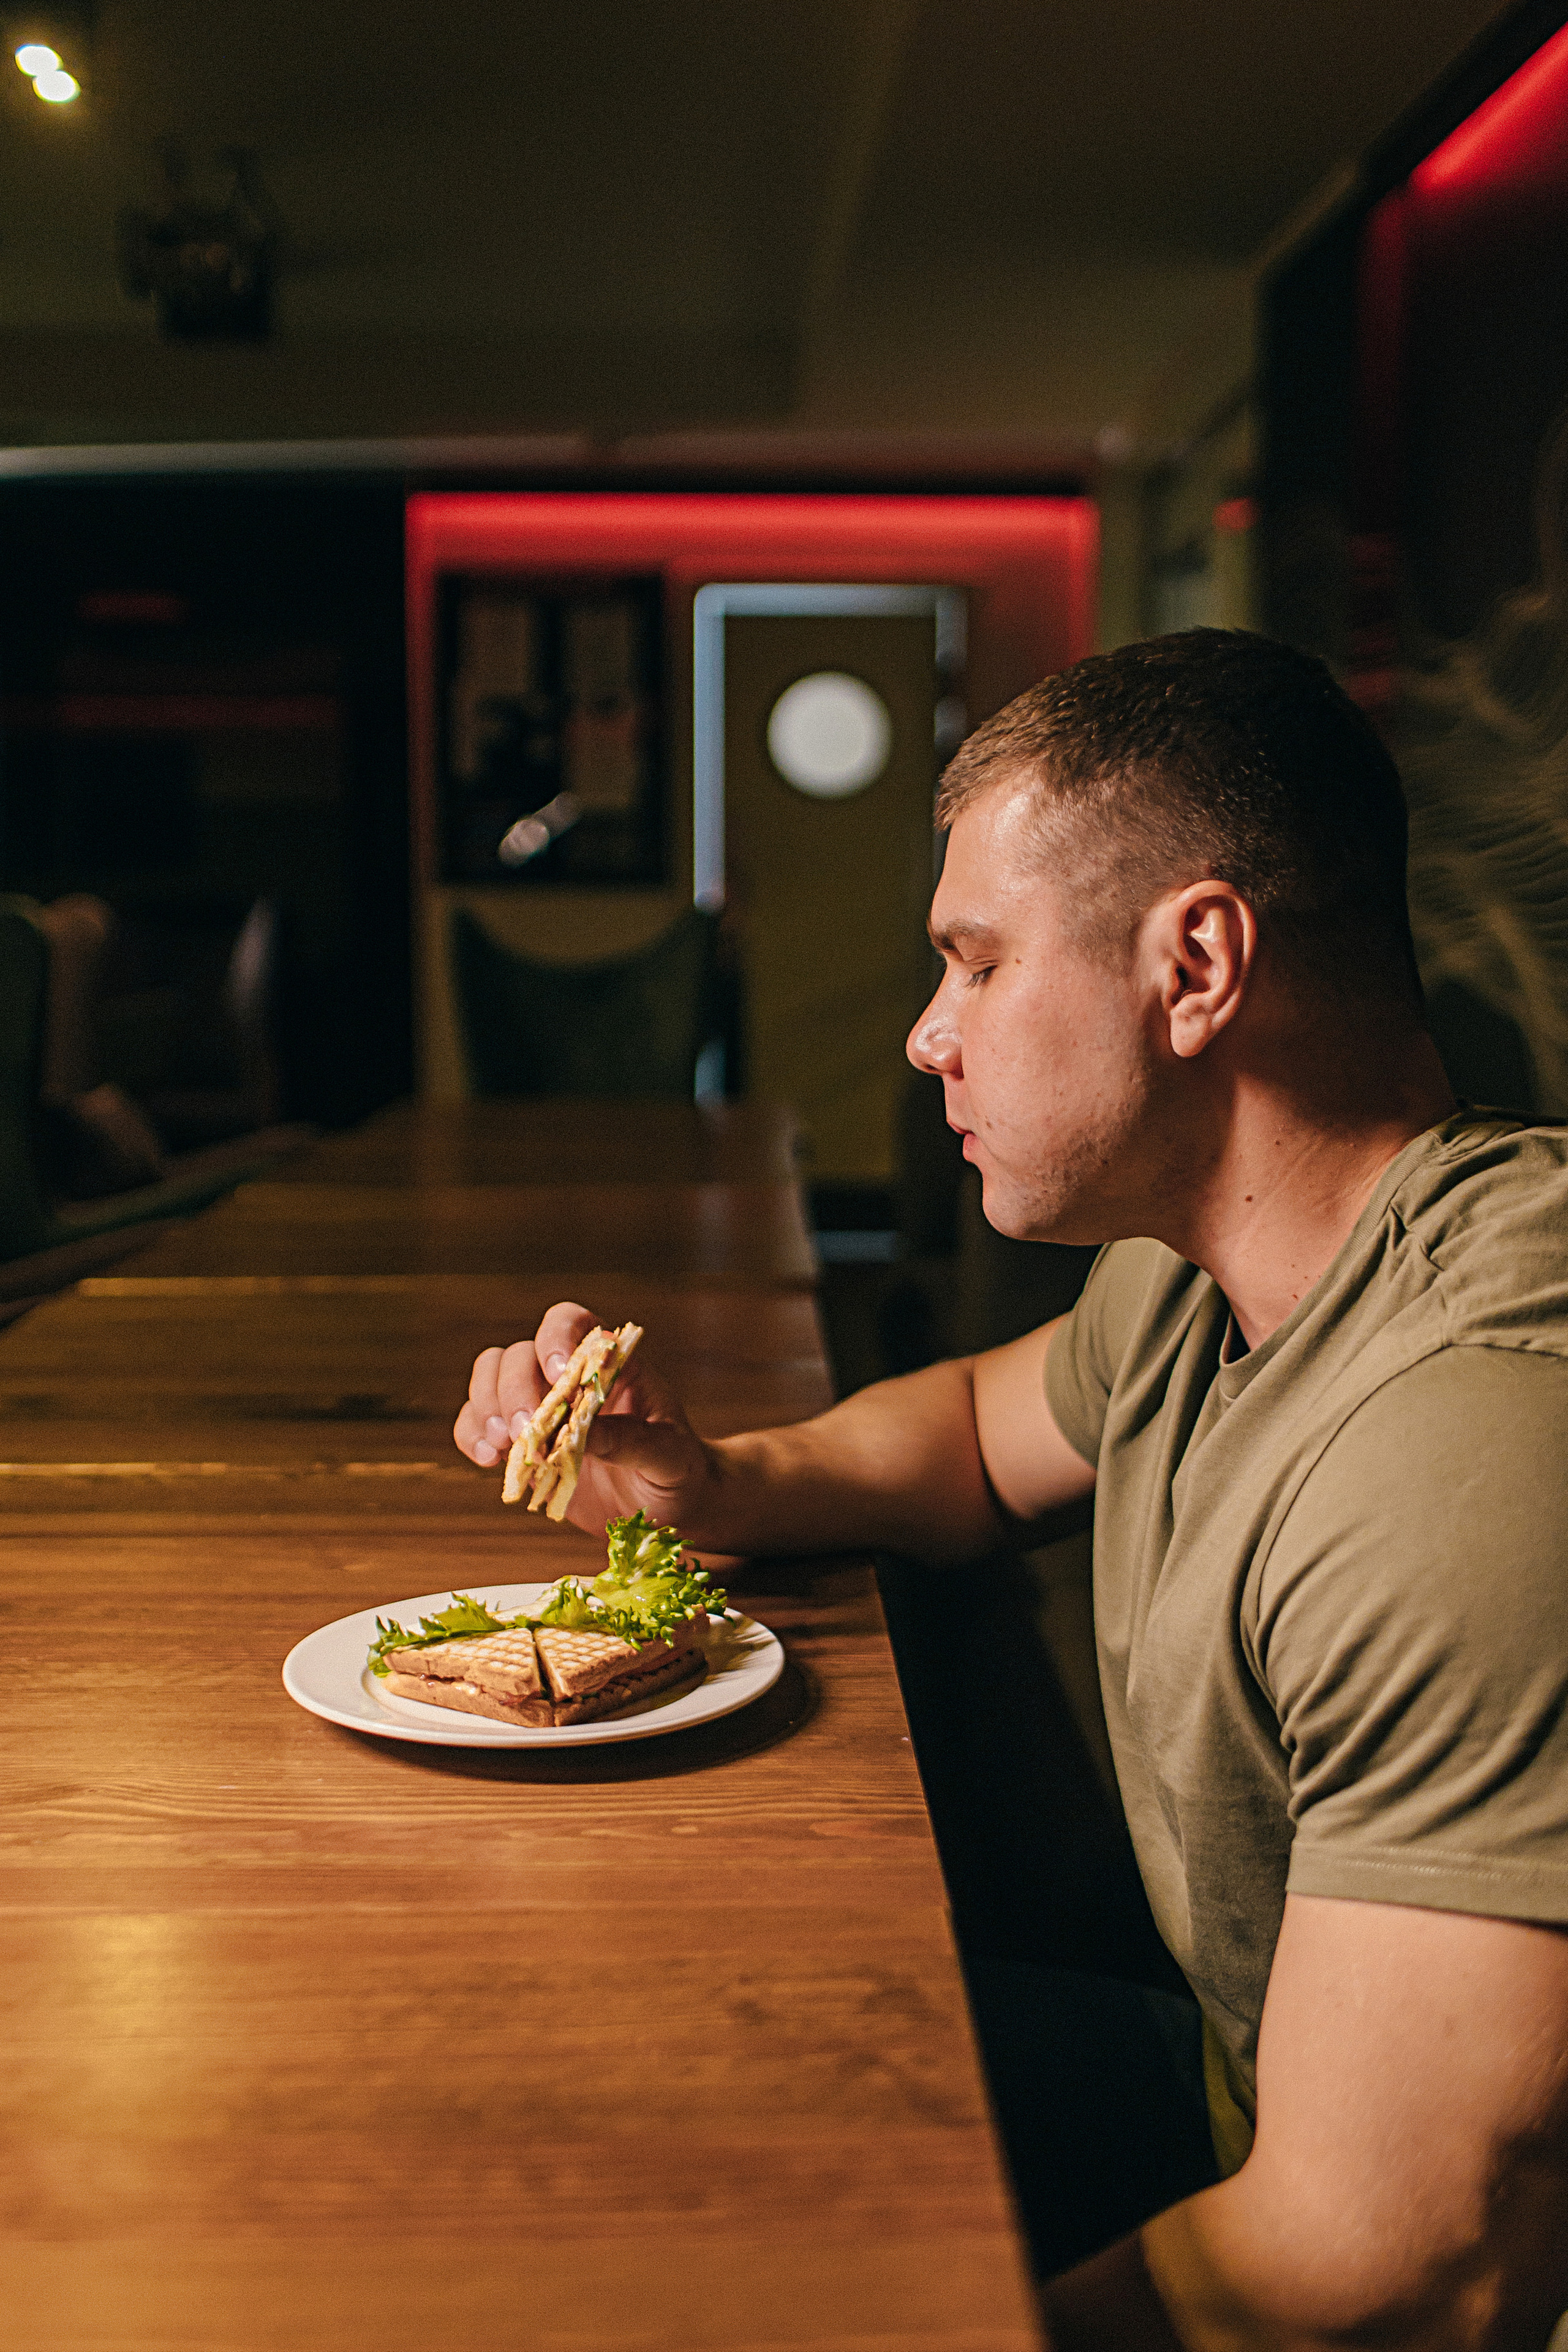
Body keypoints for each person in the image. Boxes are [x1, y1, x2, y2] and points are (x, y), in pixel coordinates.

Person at [456, 630, 1568, 2351]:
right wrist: (705, 1480)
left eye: (974, 964)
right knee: (603, 2074)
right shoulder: (1219, 1265)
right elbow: (980, 1437)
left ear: (1195, 965)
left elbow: (1389, 2264)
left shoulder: (1467, 1450)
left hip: (1333, 2247)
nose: (923, 1037)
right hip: (1240, 2107)